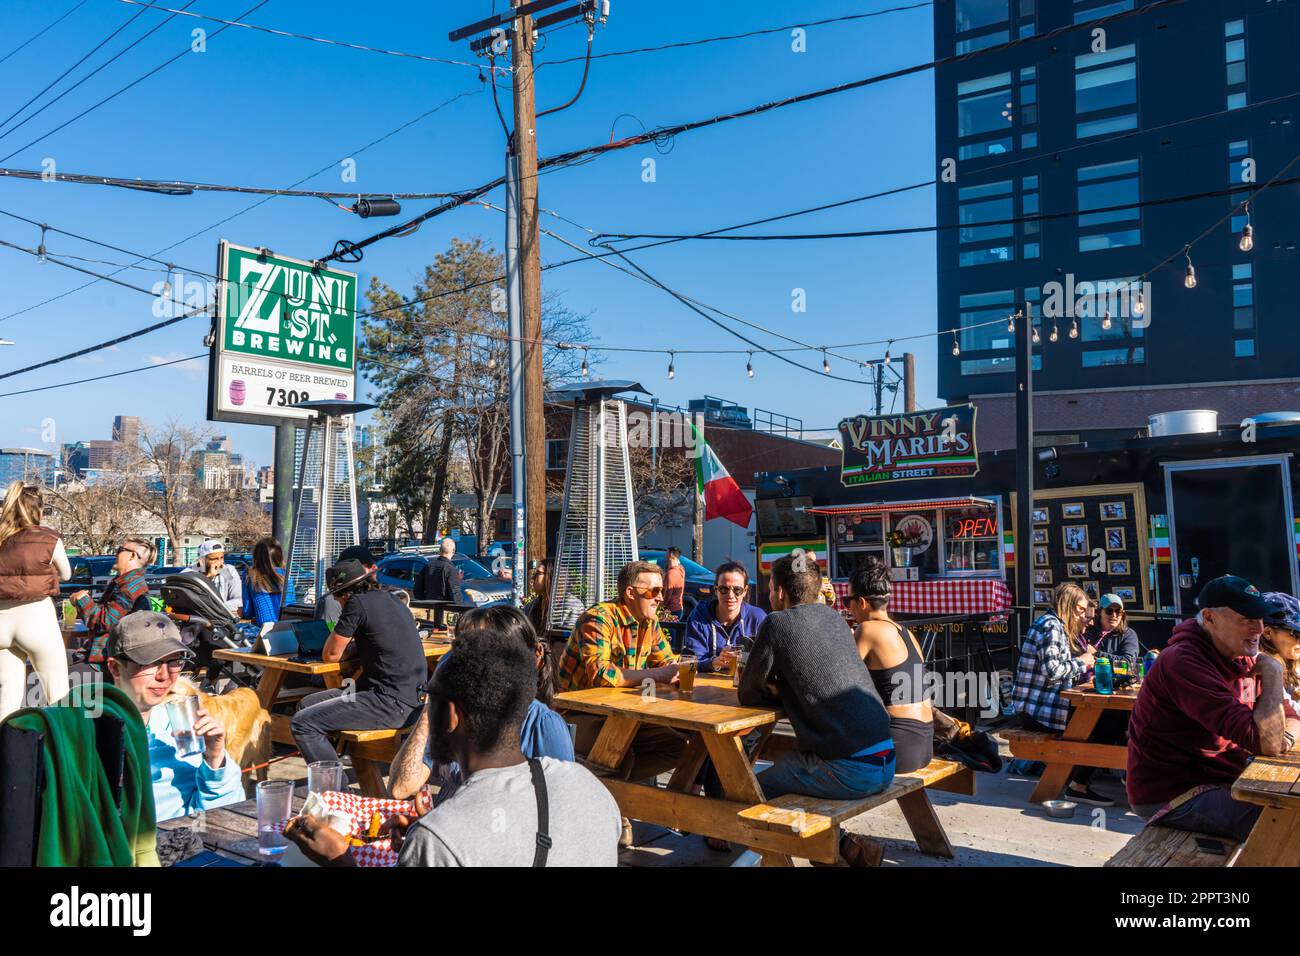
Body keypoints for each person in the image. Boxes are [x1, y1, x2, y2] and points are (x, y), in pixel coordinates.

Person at [286, 628, 622, 866]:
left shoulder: (439, 840)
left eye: (428, 697)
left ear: (450, 714)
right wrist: (431, 828)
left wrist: (339, 860)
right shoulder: (592, 791)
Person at [738, 554, 895, 866]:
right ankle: (848, 849)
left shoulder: (776, 623)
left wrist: (776, 691)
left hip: (851, 771)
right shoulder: (836, 619)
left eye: (770, 588)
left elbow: (747, 693)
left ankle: (830, 854)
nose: (770, 595)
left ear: (780, 592)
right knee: (792, 767)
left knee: (751, 790)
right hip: (887, 761)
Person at [1127, 576, 1300, 841]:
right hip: (1174, 795)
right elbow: (1266, 742)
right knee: (1285, 824)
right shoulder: (1183, 662)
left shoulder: (1240, 653)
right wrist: (1274, 673)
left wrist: (1282, 737)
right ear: (1209, 618)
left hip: (1225, 778)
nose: (1258, 628)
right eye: (1246, 619)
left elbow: (1291, 717)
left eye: (1260, 618)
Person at [388, 605, 574, 809]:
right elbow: (401, 788)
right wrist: (432, 702)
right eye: (460, 651)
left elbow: (562, 806)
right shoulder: (454, 715)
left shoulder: (542, 724)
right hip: (448, 830)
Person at [104, 611, 243, 821]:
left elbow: (224, 817)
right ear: (115, 667)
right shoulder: (94, 733)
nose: (164, 676)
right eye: (149, 663)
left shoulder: (180, 725)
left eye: (174, 662)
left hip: (196, 840)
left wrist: (215, 760)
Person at [557, 560, 684, 784]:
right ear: (630, 593)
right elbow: (601, 674)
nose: (661, 598)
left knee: (678, 747)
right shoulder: (598, 618)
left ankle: (607, 791)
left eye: (662, 591)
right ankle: (613, 802)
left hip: (624, 714)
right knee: (618, 753)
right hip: (578, 715)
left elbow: (669, 663)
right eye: (654, 591)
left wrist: (687, 669)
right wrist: (659, 675)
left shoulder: (649, 623)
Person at [290, 559, 426, 766]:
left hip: (389, 703)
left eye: (337, 597)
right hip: (409, 698)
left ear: (345, 593)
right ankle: (336, 762)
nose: (337, 603)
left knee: (303, 724)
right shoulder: (392, 598)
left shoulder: (356, 603)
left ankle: (334, 791)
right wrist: (354, 647)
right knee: (306, 705)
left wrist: (349, 648)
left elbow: (331, 655)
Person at [1010, 582, 1121, 806]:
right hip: (1037, 710)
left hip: (1046, 705)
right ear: (1070, 607)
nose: (1086, 619)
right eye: (1082, 612)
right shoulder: (1050, 626)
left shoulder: (1057, 627)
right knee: (1111, 718)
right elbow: (1053, 672)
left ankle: (1078, 783)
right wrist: (1082, 662)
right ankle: (1078, 785)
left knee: (1109, 717)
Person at [845, 558, 934, 774]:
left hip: (898, 747)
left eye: (848, 601)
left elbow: (840, 679)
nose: (847, 608)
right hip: (924, 744)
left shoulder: (867, 630)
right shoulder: (906, 633)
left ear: (863, 602)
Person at [0, 483, 71, 720]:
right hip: (36, 618)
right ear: (37, 510)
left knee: (7, 696)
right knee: (58, 693)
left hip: (2, 621)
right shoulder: (48, 538)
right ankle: (63, 751)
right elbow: (68, 574)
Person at [71, 536, 155, 670]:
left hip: (106, 661)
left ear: (132, 556)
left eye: (120, 550)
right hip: (102, 654)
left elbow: (105, 622)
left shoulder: (130, 587)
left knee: (50, 672)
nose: (116, 554)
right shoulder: (126, 582)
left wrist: (81, 599)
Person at [682, 561, 766, 672]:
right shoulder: (699, 615)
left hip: (745, 686)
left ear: (745, 591)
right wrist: (714, 662)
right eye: (724, 589)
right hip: (706, 686)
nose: (730, 595)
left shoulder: (757, 618)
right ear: (716, 590)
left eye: (737, 590)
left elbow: (766, 661)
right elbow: (692, 661)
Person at [314, 544, 379, 630]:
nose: (375, 568)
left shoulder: (380, 595)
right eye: (369, 565)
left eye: (373, 564)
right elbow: (329, 633)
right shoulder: (334, 600)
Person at [1260, 591, 1300, 707]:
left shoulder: (1294, 660)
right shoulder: (1261, 669)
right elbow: (1285, 711)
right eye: (1296, 633)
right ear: (1267, 632)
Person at [416, 537, 464, 628]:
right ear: (453, 551)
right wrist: (461, 612)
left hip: (428, 613)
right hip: (445, 616)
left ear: (440, 550)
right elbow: (455, 595)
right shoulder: (451, 569)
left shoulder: (428, 566)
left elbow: (417, 590)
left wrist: (426, 602)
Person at [240, 537, 284, 627]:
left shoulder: (250, 574)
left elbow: (248, 612)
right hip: (287, 627)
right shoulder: (287, 575)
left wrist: (242, 612)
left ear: (256, 556)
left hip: (265, 629)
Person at [191, 540, 242, 615]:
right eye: (214, 559)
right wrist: (209, 577)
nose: (219, 562)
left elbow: (238, 600)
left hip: (222, 618)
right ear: (201, 560)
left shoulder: (227, 571)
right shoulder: (190, 573)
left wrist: (215, 607)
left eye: (221, 558)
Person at [1094, 593, 1139, 660]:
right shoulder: (1089, 631)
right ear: (1100, 612)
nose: (1114, 615)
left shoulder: (1128, 634)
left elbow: (1129, 661)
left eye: (1118, 611)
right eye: (1109, 611)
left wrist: (1097, 654)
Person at [663, 547, 686, 621]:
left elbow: (667, 593)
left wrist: (661, 606)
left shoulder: (671, 573)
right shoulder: (681, 569)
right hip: (679, 608)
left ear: (670, 555)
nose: (665, 556)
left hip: (671, 610)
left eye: (666, 553)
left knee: (670, 632)